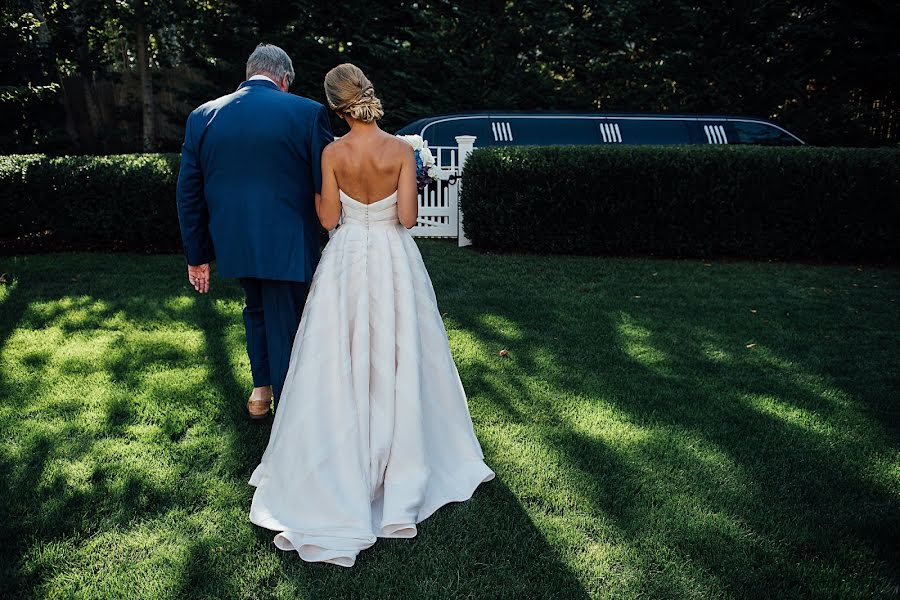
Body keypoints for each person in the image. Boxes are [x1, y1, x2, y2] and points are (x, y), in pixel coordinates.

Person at [248, 63, 494, 567]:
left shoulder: (332, 152)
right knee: (399, 348)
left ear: (335, 106)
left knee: (340, 348)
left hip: (346, 260)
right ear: (368, 96)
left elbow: (328, 219)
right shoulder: (402, 150)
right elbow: (407, 218)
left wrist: (322, 192)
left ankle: (344, 451)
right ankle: (397, 455)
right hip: (393, 259)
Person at [176, 44, 333, 418]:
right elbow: (325, 184)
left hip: (236, 240)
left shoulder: (203, 115)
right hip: (291, 239)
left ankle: (261, 391)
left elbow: (188, 192)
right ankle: (291, 406)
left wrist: (197, 256)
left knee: (257, 308)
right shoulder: (308, 112)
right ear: (284, 79)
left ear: (250, 73)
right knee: (286, 317)